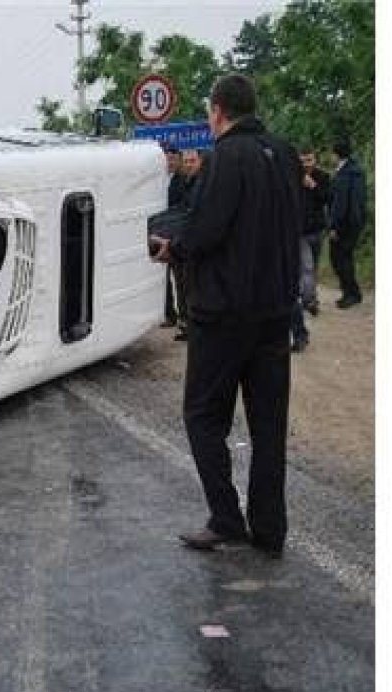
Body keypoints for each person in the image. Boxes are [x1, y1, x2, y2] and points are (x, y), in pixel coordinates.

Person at [148, 74, 302, 559]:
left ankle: (226, 517)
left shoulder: (225, 160)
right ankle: (270, 530)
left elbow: (206, 231)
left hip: (224, 314)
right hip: (276, 313)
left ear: (217, 111)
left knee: (203, 416)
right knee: (268, 426)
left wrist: (172, 247)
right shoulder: (286, 155)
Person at [290, 147, 334, 351]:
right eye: (303, 160)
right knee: (306, 267)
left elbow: (328, 198)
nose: (306, 164)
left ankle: (311, 298)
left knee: (312, 267)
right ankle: (308, 300)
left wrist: (314, 186)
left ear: (315, 160)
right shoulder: (292, 177)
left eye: (309, 160)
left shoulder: (323, 176)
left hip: (317, 229)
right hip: (300, 231)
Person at [170, 149, 207, 341]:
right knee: (181, 286)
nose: (189, 164)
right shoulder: (185, 182)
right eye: (186, 161)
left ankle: (193, 327)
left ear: (200, 161)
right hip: (179, 242)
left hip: (191, 247)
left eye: (193, 161)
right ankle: (185, 325)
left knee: (191, 288)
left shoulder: (204, 184)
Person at [329, 138, 367, 308]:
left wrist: (334, 226)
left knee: (339, 259)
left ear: (336, 154)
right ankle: (353, 293)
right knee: (345, 258)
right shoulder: (357, 170)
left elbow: (340, 203)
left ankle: (350, 294)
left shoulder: (344, 174)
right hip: (355, 222)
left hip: (344, 224)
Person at [161, 145, 186, 327]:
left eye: (172, 158)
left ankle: (185, 319)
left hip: (178, 237)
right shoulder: (161, 179)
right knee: (165, 279)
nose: (169, 162)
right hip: (162, 235)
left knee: (181, 279)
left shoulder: (183, 180)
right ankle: (170, 315)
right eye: (166, 159)